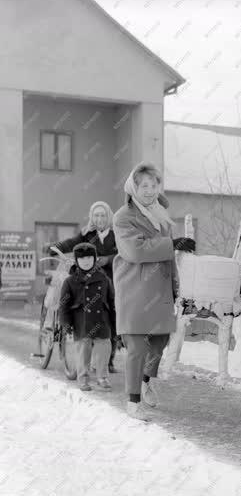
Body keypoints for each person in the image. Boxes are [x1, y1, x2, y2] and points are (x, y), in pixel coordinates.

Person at [113, 162, 195, 421]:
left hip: (159, 289)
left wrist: (176, 288)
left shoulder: (161, 216)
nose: (149, 190)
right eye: (144, 185)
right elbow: (135, 250)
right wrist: (171, 243)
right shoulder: (123, 217)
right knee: (137, 345)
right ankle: (132, 401)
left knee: (159, 342)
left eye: (153, 185)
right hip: (135, 288)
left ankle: (146, 380)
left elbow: (170, 259)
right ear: (134, 187)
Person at [50, 201, 120, 373]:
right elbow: (72, 242)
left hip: (110, 281)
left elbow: (125, 251)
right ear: (91, 217)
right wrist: (56, 247)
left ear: (108, 216)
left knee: (109, 317)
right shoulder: (87, 234)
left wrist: (109, 259)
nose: (100, 218)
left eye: (103, 215)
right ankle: (84, 356)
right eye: (96, 215)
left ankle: (108, 360)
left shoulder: (117, 235)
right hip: (87, 282)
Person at [58, 243, 115, 392]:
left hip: (102, 319)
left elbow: (111, 300)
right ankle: (83, 378)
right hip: (81, 321)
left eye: (89, 257)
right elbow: (63, 306)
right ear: (77, 261)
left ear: (95, 258)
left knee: (104, 346)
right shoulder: (70, 281)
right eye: (82, 258)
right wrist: (65, 323)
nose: (86, 261)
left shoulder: (104, 278)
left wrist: (115, 322)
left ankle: (102, 376)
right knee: (83, 350)